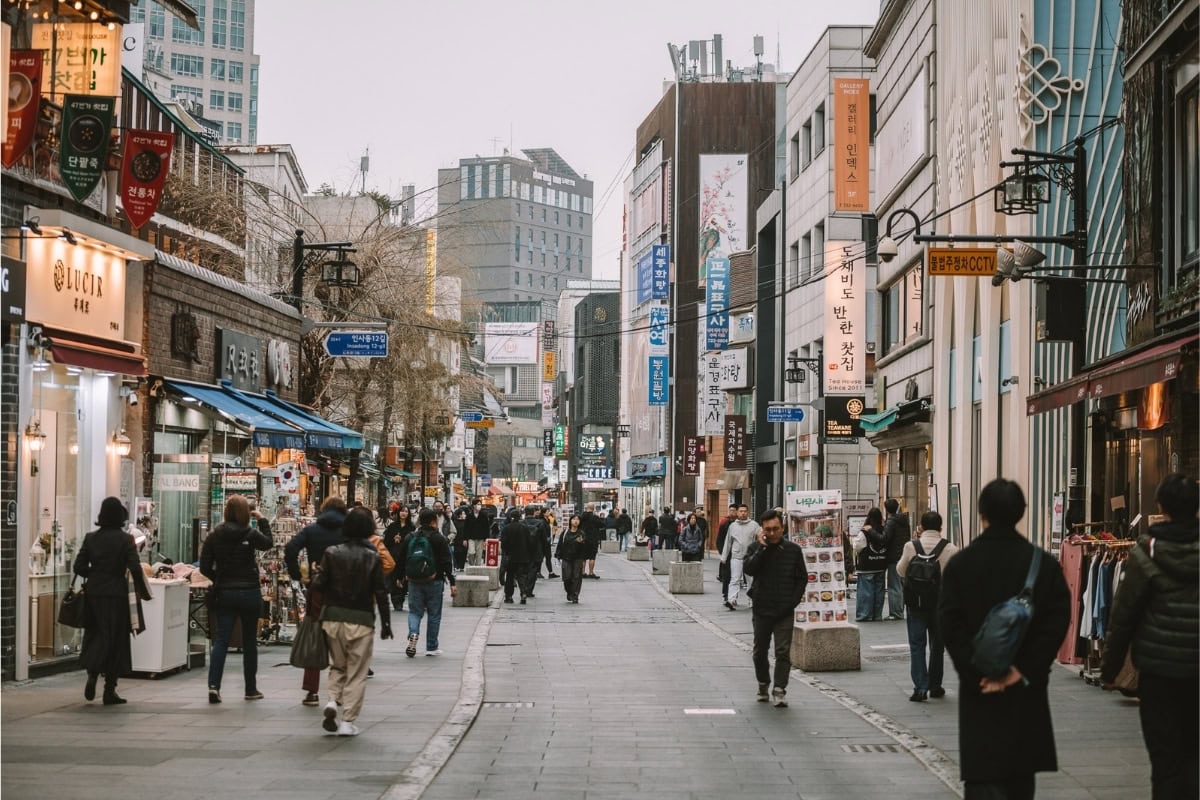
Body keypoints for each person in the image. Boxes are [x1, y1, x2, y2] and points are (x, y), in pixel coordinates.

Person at [939, 479, 1070, 800]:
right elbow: (1056, 623)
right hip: (1023, 696)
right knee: (1020, 783)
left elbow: (949, 625)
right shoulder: (1043, 565)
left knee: (983, 782)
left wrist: (977, 673)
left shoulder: (961, 565)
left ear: (982, 514)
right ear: (1021, 513)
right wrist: (1021, 670)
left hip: (979, 695)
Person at [1101, 473, 1198, 800]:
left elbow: (1123, 615)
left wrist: (1110, 667)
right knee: (1194, 754)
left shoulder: (1147, 552)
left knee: (1165, 758)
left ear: (1160, 506)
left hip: (1159, 673)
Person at [311, 507, 392, 737]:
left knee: (338, 664)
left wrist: (315, 574)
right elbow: (380, 591)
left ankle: (332, 700)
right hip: (361, 618)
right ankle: (347, 721)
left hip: (333, 617)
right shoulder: (372, 556)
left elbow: (318, 584)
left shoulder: (331, 552)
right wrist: (386, 623)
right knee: (357, 671)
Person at [74, 497, 153, 705]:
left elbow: (79, 567)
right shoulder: (125, 540)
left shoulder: (91, 538)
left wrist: (96, 574)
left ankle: (92, 673)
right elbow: (135, 567)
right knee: (116, 640)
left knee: (96, 634)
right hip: (117, 596)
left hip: (94, 594)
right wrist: (140, 588)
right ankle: (110, 689)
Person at [199, 495, 271, 703]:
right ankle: (250, 689)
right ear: (245, 513)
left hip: (225, 593)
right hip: (249, 592)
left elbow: (204, 566)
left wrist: (219, 579)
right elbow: (268, 543)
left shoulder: (214, 534)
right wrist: (262, 520)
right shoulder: (250, 532)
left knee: (221, 640)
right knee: (249, 641)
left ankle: (214, 686)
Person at [285, 496, 348, 706]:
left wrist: (297, 575)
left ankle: (312, 692)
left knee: (315, 638)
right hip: (342, 592)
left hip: (318, 589)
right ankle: (337, 692)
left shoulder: (312, 530)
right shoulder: (349, 530)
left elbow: (290, 549)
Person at [743, 509, 808, 708]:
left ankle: (780, 688)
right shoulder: (755, 547)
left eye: (776, 529)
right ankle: (763, 683)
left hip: (784, 610)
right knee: (759, 651)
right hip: (762, 608)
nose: (772, 533)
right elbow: (749, 569)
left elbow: (801, 578)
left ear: (783, 528)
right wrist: (762, 548)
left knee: (782, 651)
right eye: (768, 529)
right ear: (762, 529)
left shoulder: (793, 550)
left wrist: (793, 601)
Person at [897, 510, 958, 701]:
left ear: (921, 527)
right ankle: (935, 685)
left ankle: (920, 687)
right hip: (941, 604)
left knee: (917, 645)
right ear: (941, 527)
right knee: (937, 645)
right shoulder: (951, 548)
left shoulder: (911, 546)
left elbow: (900, 570)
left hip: (916, 603)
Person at [396, 507, 457, 656]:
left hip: (414, 580)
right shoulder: (438, 538)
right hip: (434, 580)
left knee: (415, 612)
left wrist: (399, 577)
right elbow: (446, 561)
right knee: (434, 614)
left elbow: (401, 558)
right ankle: (431, 647)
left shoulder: (411, 537)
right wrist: (452, 582)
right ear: (433, 521)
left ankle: (414, 633)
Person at [719, 504, 760, 610]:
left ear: (748, 512)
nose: (743, 513)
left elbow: (759, 539)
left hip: (749, 557)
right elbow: (728, 542)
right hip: (736, 556)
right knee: (734, 579)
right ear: (737, 512)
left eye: (745, 511)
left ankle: (752, 600)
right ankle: (731, 599)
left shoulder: (754, 525)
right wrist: (724, 557)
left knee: (750, 580)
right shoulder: (733, 526)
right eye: (741, 511)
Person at [856, 508, 889, 622]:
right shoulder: (884, 531)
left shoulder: (864, 531)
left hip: (867, 566)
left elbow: (858, 547)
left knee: (866, 592)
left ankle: (865, 615)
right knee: (879, 592)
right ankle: (877, 615)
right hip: (881, 564)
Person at [382, 504, 415, 611]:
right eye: (402, 511)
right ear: (398, 512)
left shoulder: (411, 527)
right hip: (393, 556)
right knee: (393, 579)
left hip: (406, 556)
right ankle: (396, 601)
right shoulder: (392, 526)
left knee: (404, 578)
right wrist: (393, 539)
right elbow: (386, 543)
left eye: (406, 511)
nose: (403, 513)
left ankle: (401, 597)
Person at [882, 498, 911, 620]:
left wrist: (872, 532)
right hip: (903, 555)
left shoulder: (891, 522)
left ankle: (896, 613)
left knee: (894, 585)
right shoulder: (904, 520)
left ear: (887, 510)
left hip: (893, 557)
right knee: (901, 584)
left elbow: (885, 538)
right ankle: (901, 610)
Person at [499, 508, 533, 603]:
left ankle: (509, 597)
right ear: (520, 517)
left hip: (510, 557)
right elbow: (530, 542)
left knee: (510, 577)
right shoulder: (525, 528)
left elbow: (503, 544)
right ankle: (523, 593)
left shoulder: (506, 528)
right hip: (523, 557)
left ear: (511, 517)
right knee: (522, 576)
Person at [555, 513, 588, 603]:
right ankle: (569, 592)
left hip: (578, 558)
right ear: (570, 521)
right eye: (574, 519)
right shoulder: (565, 532)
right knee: (567, 577)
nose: (576, 521)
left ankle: (575, 595)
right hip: (566, 557)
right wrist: (557, 554)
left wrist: (581, 543)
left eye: (578, 519)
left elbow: (585, 547)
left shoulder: (581, 533)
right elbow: (560, 544)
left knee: (577, 577)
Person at [716, 505, 736, 602]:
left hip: (737, 554)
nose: (732, 512)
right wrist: (722, 552)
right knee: (726, 575)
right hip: (727, 554)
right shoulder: (724, 524)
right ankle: (725, 594)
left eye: (734, 511)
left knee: (735, 577)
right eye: (730, 510)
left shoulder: (738, 524)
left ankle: (734, 596)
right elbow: (719, 539)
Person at [463, 500, 490, 567]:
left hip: (480, 538)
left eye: (480, 504)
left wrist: (486, 539)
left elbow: (487, 528)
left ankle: (478, 567)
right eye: (478, 504)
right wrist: (465, 539)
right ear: (474, 505)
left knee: (479, 554)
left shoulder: (484, 515)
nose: (479, 506)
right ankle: (471, 565)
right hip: (471, 537)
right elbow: (465, 528)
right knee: (471, 552)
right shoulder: (469, 515)